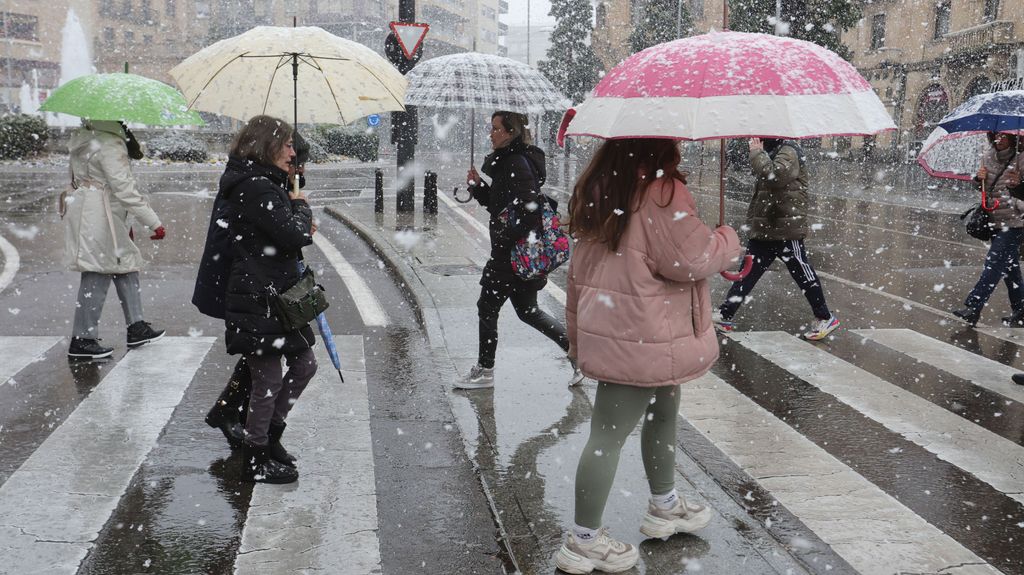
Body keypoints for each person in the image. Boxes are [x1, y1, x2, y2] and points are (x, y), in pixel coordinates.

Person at [554, 138, 742, 574]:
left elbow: (584, 267)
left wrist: (578, 333)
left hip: (620, 325)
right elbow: (690, 259)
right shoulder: (661, 192)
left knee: (662, 410)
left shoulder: (602, 186)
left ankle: (665, 503)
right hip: (643, 330)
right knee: (608, 435)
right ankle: (584, 541)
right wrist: (726, 239)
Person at [196, 132, 312, 458]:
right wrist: (298, 212)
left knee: (267, 363)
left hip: (264, 287)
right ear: (268, 147)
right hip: (256, 289)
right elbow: (285, 234)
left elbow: (279, 232)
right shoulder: (252, 184)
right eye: (288, 149)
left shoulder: (256, 179)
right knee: (265, 367)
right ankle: (255, 444)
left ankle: (236, 416)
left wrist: (289, 202)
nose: (292, 156)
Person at [455, 111, 581, 389]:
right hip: (515, 254)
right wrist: (478, 188)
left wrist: (504, 237)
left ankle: (485, 371)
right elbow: (501, 206)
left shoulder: (517, 163)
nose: (491, 133)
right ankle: (578, 357)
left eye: (496, 128)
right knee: (528, 311)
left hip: (511, 256)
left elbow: (529, 212)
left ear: (510, 132)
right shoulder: (508, 162)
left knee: (487, 308)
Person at [712, 137, 839, 341]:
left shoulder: (789, 150)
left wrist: (756, 153)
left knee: (802, 273)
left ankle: (825, 316)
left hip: (785, 227)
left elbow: (775, 176)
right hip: (767, 227)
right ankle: (726, 314)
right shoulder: (772, 149)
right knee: (748, 272)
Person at [63, 120, 166, 359]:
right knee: (97, 271)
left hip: (91, 207)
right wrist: (152, 221)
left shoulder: (84, 135)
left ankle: (136, 326)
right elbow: (123, 187)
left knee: (125, 262)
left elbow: (80, 176)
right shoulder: (109, 140)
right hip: (102, 212)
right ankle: (82, 339)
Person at [953, 132, 1024, 327]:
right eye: (997, 136)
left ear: (1013, 138)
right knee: (1010, 270)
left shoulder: (1021, 158)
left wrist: (1020, 184)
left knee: (994, 264)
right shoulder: (987, 156)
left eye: (1004, 136)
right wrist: (978, 179)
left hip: (1015, 222)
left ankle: (974, 307)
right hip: (993, 219)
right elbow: (984, 189)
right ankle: (1022, 309)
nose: (999, 140)